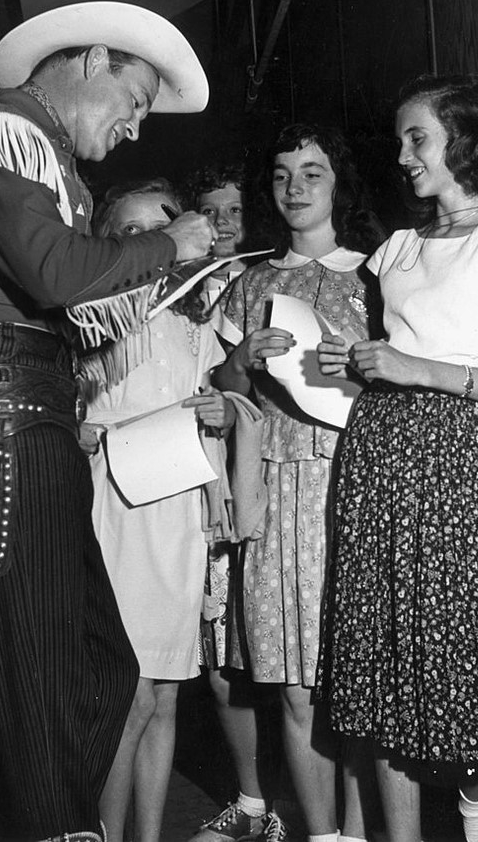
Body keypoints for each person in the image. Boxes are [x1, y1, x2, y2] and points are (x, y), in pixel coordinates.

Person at [0, 2, 217, 842]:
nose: (135, 128)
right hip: (2, 413)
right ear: (91, 59)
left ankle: (62, 821)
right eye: (137, 101)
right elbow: (53, 273)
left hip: (34, 408)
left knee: (103, 665)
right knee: (43, 674)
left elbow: (67, 297)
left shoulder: (43, 153)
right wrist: (169, 247)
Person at [315, 73, 478, 842]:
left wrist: (418, 370)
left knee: (460, 646)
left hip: (461, 455)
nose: (406, 155)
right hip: (379, 451)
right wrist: (344, 361)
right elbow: (381, 358)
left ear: (464, 143)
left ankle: (477, 802)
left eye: (420, 138)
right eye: (403, 140)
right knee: (381, 656)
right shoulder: (396, 250)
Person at [213, 124, 385, 842]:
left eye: (312, 173)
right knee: (294, 682)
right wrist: (243, 361)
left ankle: (355, 827)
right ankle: (321, 835)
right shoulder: (252, 281)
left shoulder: (374, 273)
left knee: (355, 676)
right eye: (283, 175)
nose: (296, 189)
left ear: (338, 183)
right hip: (279, 489)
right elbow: (221, 397)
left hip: (354, 484)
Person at [79, 178, 234, 842]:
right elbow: (71, 409)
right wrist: (77, 428)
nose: (148, 242)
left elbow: (211, 409)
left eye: (159, 229)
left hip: (177, 515)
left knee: (165, 693)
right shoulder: (92, 320)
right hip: (116, 509)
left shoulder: (195, 320)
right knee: (129, 695)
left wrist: (217, 439)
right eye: (131, 232)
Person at [184, 162, 284, 842]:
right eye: (210, 211)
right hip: (204, 486)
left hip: (271, 488)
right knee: (220, 659)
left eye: (236, 211)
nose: (224, 225)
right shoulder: (176, 291)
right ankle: (252, 805)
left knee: (286, 658)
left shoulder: (270, 282)